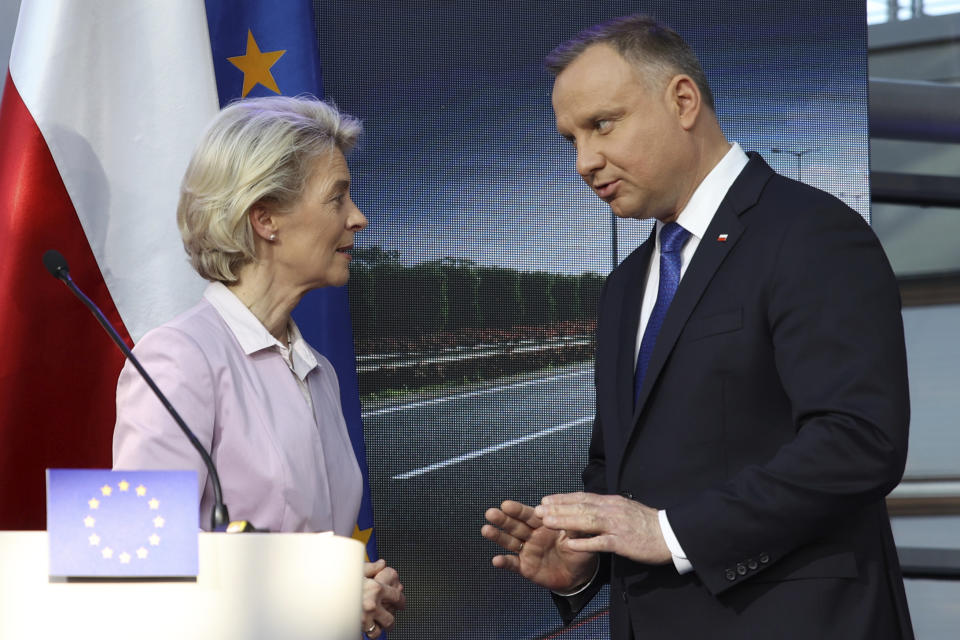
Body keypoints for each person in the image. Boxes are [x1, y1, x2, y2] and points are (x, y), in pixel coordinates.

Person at [482, 14, 913, 639]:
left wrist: (670, 533)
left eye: (602, 125)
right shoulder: (626, 284)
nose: (584, 160)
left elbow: (858, 440)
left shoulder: (812, 232)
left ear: (682, 100)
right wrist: (587, 559)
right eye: (570, 139)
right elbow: (617, 475)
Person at [113, 96, 404, 639]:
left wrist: (355, 589)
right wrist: (318, 585)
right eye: (337, 197)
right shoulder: (178, 358)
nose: (358, 218)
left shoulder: (320, 371)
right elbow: (130, 559)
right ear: (265, 218)